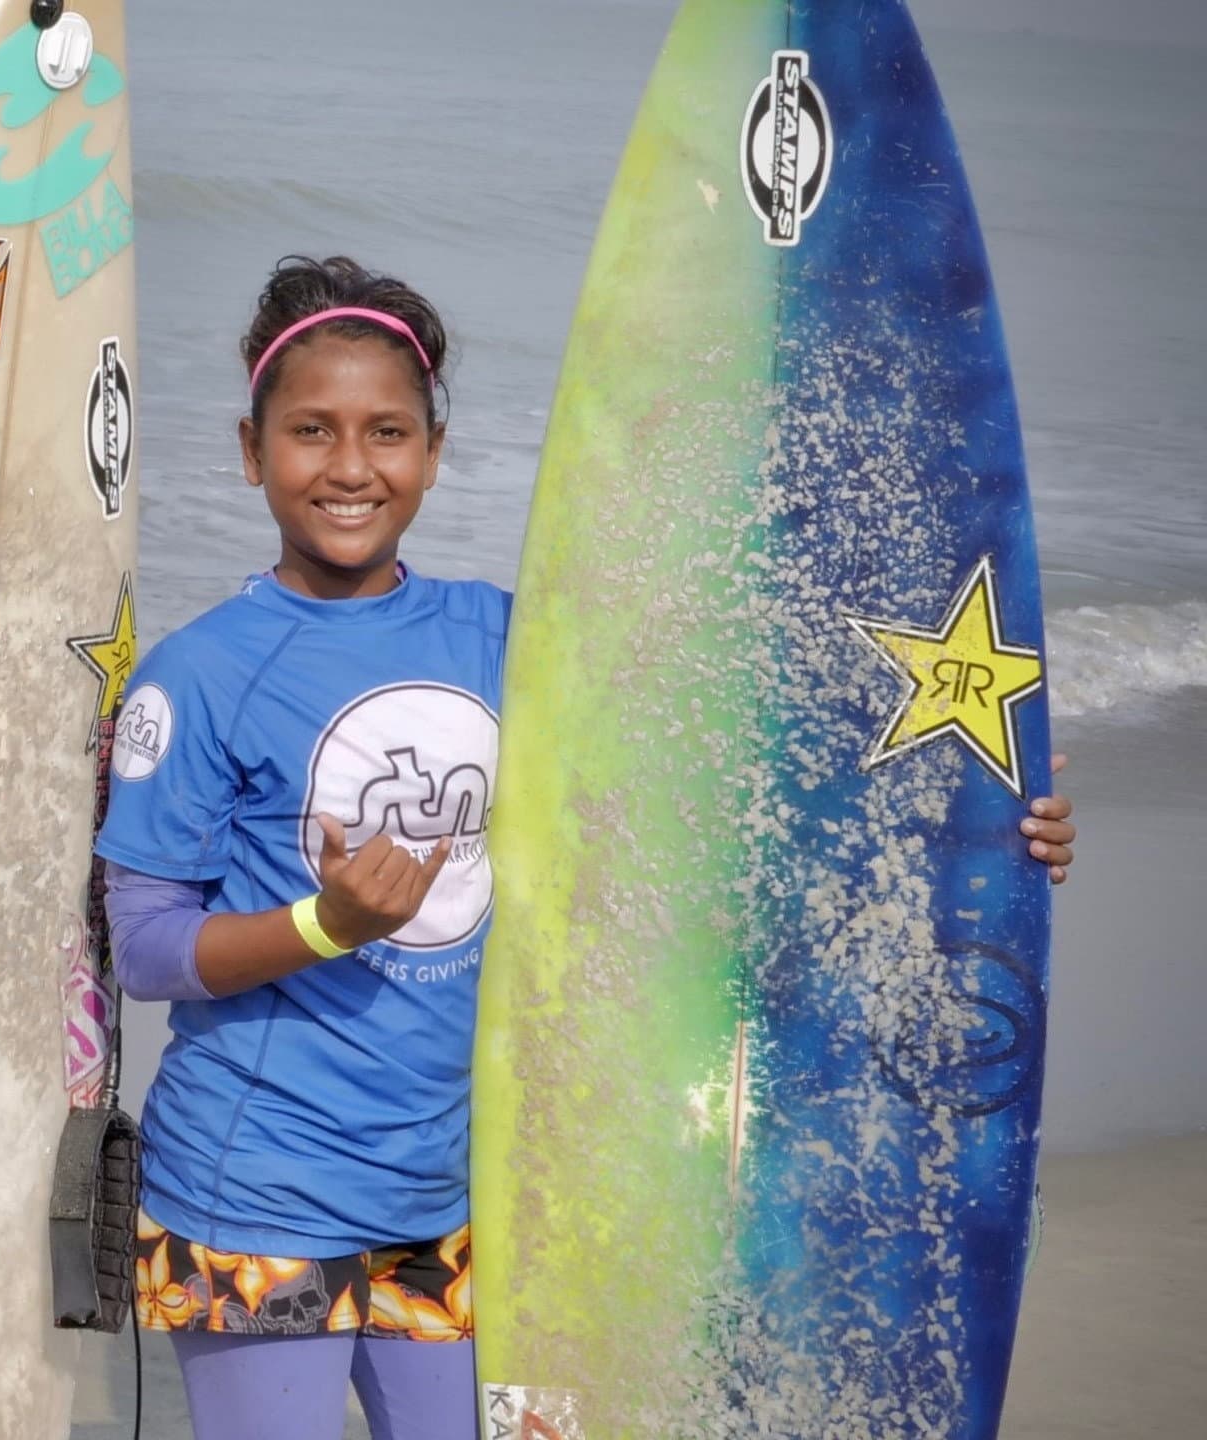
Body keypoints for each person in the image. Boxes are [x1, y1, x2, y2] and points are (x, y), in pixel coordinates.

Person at [96, 255, 1081, 1440]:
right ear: (252, 452)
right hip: (258, 1194)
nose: (350, 467)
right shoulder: (199, 675)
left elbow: (700, 793)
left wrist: (979, 813)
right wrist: (329, 926)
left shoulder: (508, 641)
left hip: (465, 1196)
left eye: (386, 433)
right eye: (310, 432)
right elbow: (146, 948)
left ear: (435, 450)